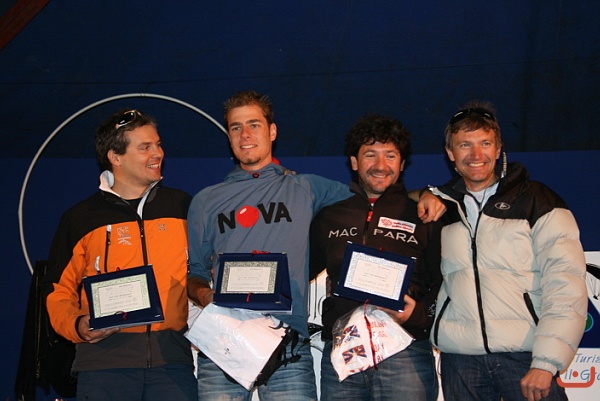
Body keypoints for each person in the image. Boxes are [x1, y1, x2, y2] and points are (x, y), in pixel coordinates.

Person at [186, 91, 445, 400]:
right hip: (224, 338)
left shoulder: (307, 187)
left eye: (254, 125)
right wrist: (206, 295)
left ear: (272, 131)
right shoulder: (205, 200)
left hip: (288, 341)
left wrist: (426, 194)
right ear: (228, 135)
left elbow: (372, 192)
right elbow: (195, 274)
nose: (245, 135)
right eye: (236, 127)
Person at [428, 102, 588, 401]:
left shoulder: (537, 199)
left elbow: (566, 284)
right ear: (450, 153)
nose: (476, 155)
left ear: (499, 148)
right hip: (460, 360)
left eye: (485, 143)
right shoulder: (443, 209)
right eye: (465, 145)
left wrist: (546, 362)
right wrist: (427, 194)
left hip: (526, 356)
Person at [44, 109, 197, 400]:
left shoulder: (183, 207)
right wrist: (77, 325)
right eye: (145, 147)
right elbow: (57, 290)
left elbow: (202, 271)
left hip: (172, 364)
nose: (158, 153)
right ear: (115, 157)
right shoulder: (81, 218)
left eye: (158, 144)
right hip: (103, 366)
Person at [309, 114, 442, 401]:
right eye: (370, 155)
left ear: (402, 164)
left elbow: (445, 283)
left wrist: (417, 314)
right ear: (354, 162)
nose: (381, 165)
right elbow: (298, 271)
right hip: (345, 350)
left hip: (405, 349)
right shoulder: (329, 216)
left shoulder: (424, 215)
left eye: (390, 156)